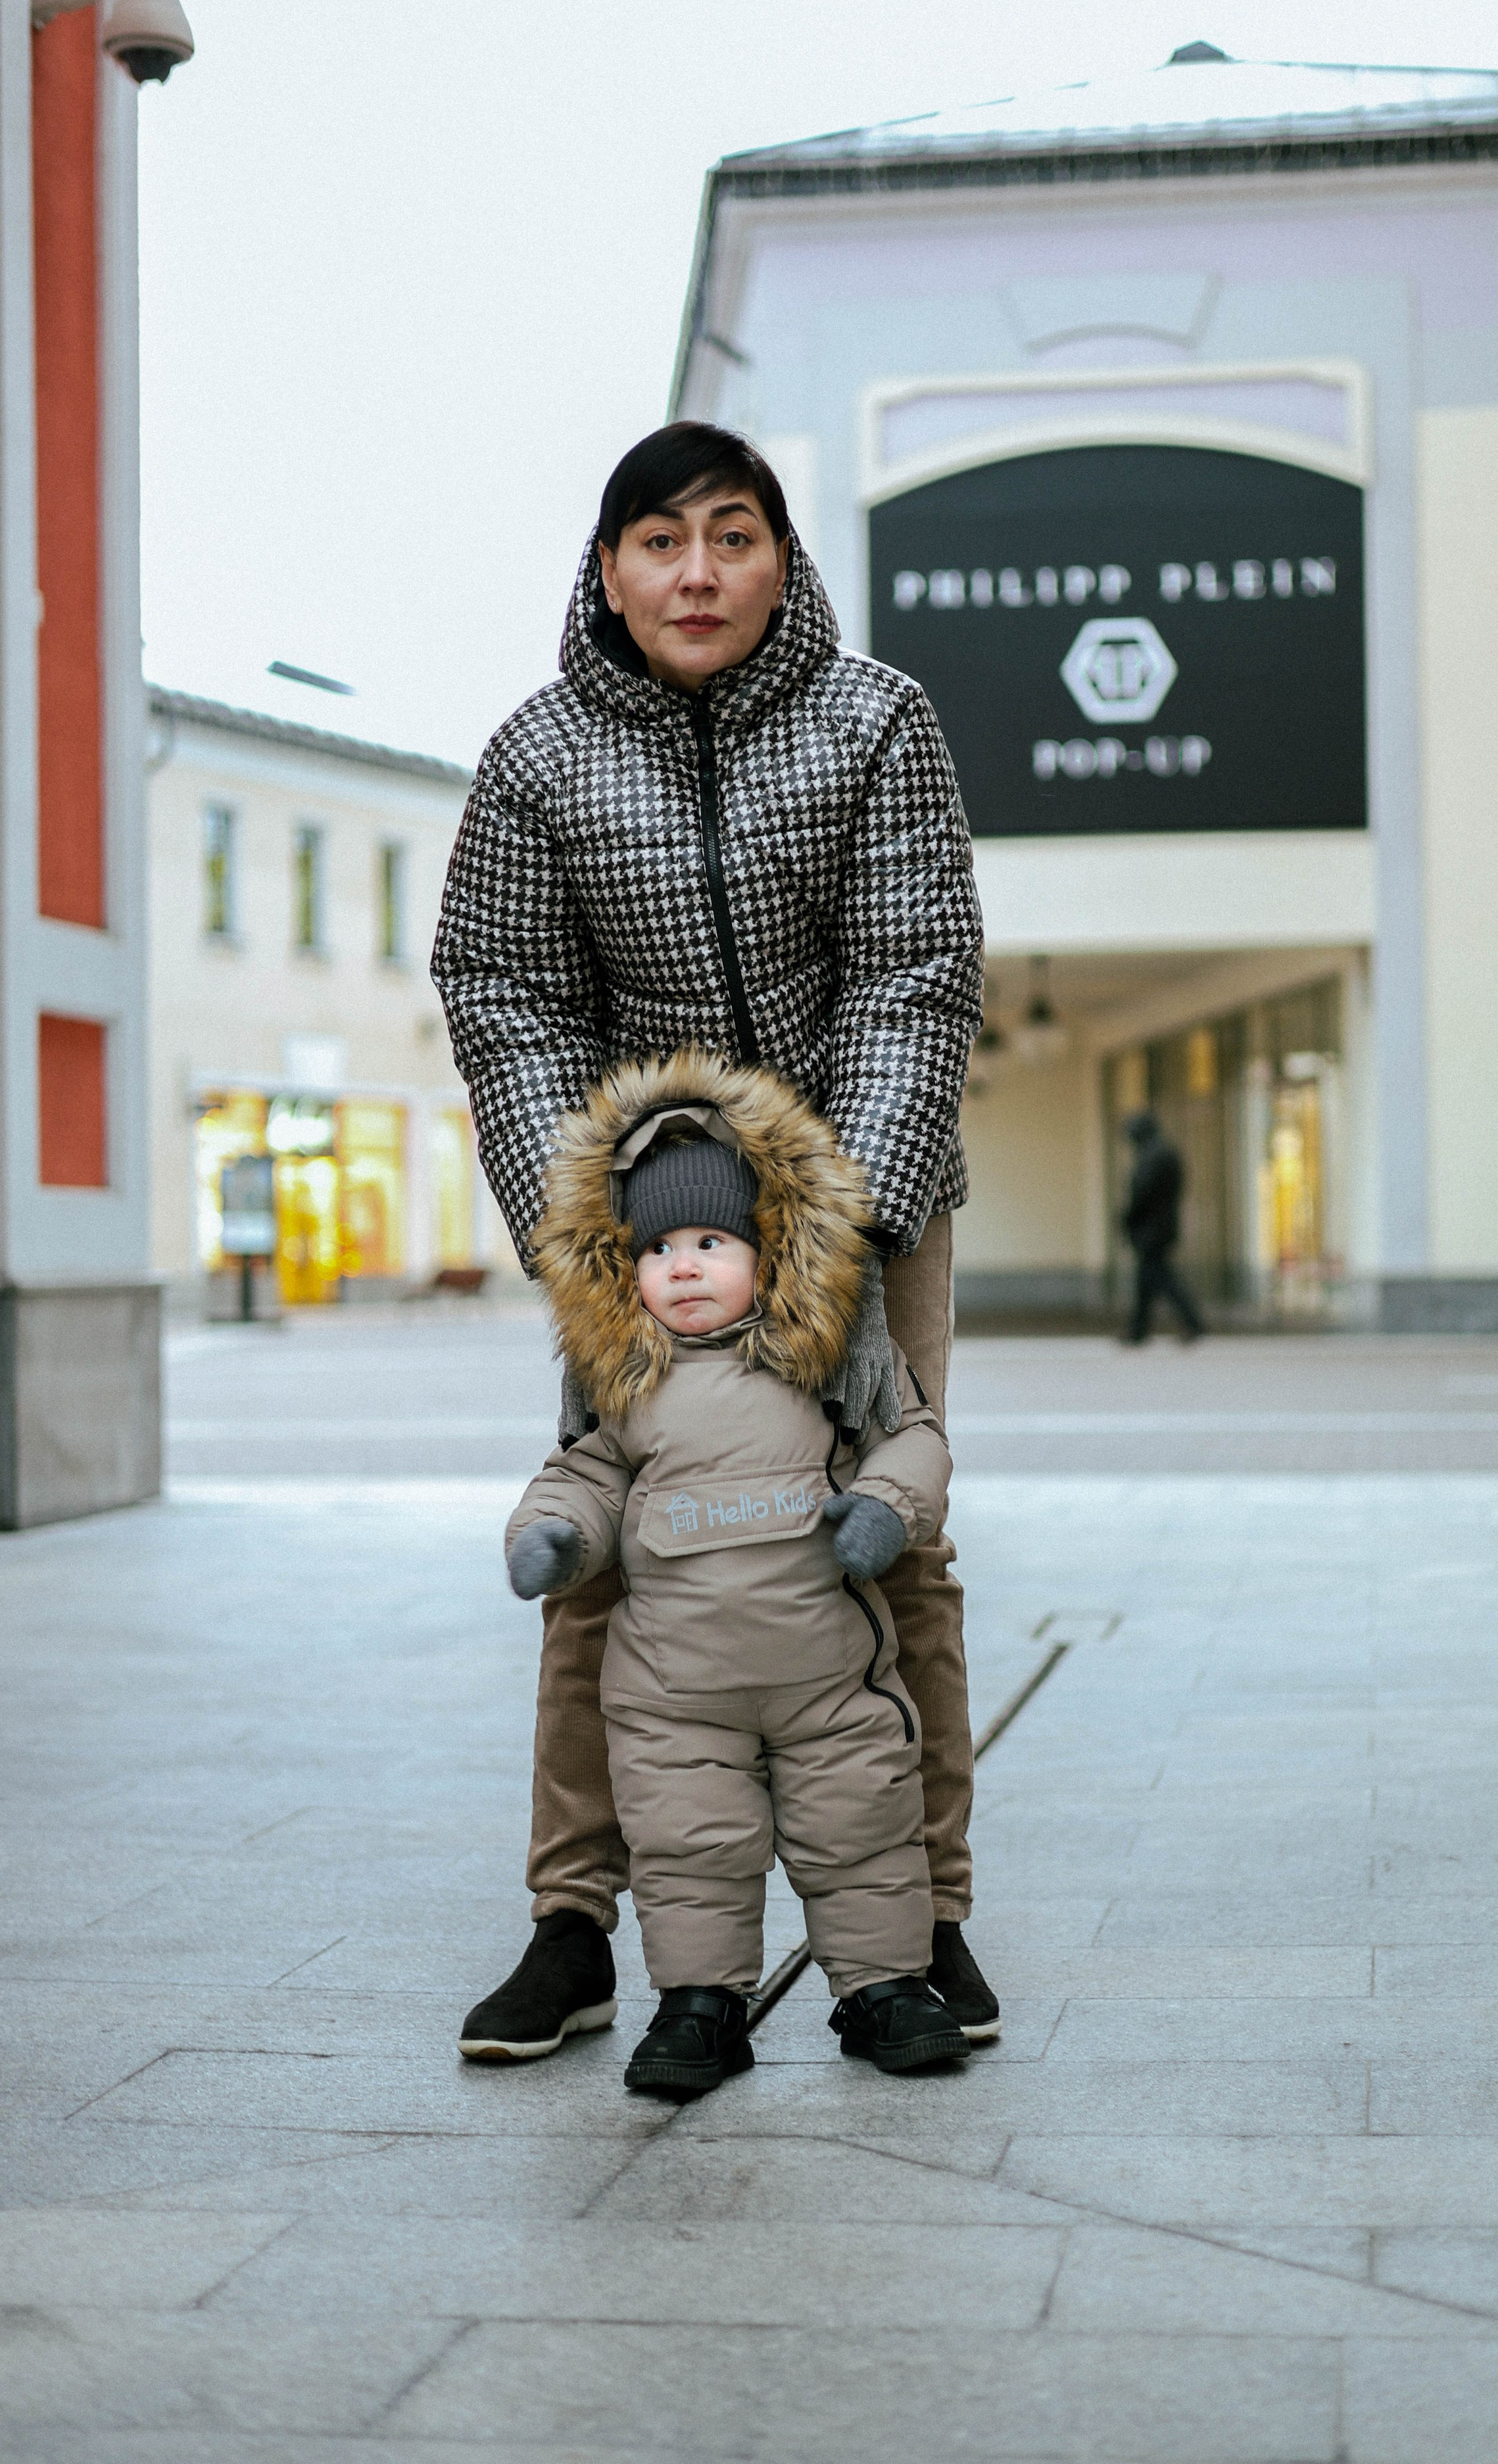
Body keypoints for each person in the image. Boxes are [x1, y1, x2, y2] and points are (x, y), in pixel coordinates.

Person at [431, 420, 997, 2058]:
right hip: (641, 1227)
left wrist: (843, 1223)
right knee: (609, 1546)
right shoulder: (536, 756)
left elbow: (915, 966)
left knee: (897, 1535)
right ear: (605, 573)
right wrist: (585, 1221)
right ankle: (571, 1923)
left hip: (868, 1204)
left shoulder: (877, 719)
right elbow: (505, 990)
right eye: (659, 542)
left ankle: (924, 1912)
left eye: (731, 534)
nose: (696, 571)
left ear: (779, 555)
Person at [490, 1056, 970, 2094]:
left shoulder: (828, 1361)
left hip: (826, 1679)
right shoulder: (628, 1387)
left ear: (771, 1251)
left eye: (713, 1242)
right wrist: (553, 1538)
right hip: (675, 1695)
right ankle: (699, 2004)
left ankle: (885, 1986)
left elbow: (914, 1441)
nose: (686, 1267)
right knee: (688, 1844)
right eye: (658, 1249)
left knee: (860, 1826)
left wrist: (886, 1511)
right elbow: (584, 1478)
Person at [1122, 1110, 1205, 1345]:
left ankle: (1192, 1322)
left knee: (1161, 1278)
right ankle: (1139, 1328)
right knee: (1148, 1278)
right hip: (1159, 1225)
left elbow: (1142, 1193)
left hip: (1153, 1227)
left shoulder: (1154, 1156)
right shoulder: (1161, 1153)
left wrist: (1129, 1218)